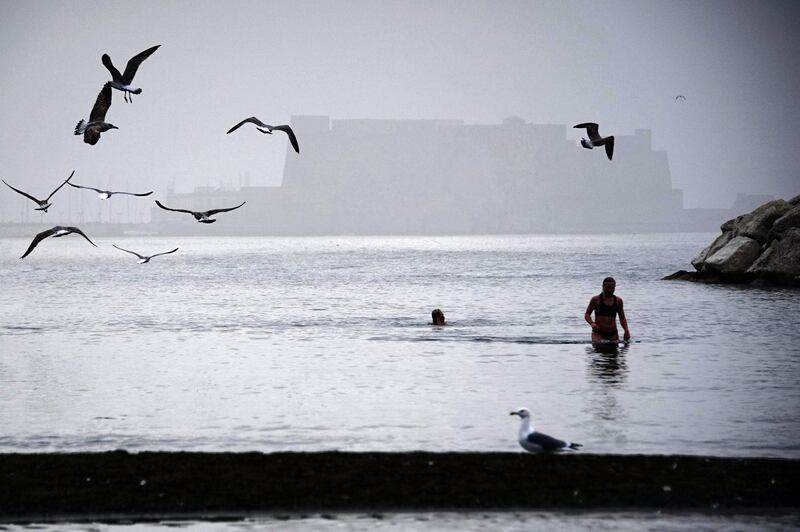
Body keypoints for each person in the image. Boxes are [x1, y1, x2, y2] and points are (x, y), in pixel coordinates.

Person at [584, 277, 630, 342]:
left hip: (613, 334)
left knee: (615, 350)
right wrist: (592, 323)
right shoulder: (596, 299)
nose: (610, 290)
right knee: (599, 348)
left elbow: (622, 318)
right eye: (608, 287)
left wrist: (626, 330)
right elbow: (587, 314)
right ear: (603, 286)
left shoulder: (618, 301)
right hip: (598, 333)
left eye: (612, 288)